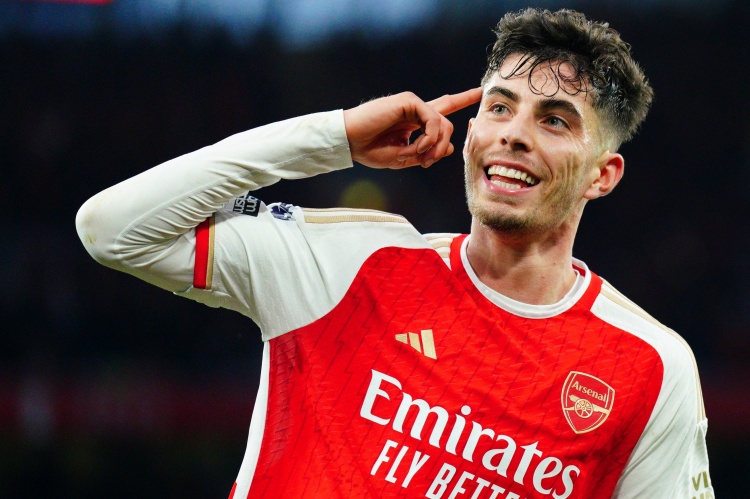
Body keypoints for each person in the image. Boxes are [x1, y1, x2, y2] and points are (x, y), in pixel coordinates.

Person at [76, 8, 714, 499]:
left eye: (554, 120)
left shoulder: (651, 369)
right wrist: (334, 137)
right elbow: (112, 228)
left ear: (603, 175)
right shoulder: (353, 263)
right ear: (472, 132)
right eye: (499, 107)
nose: (514, 135)